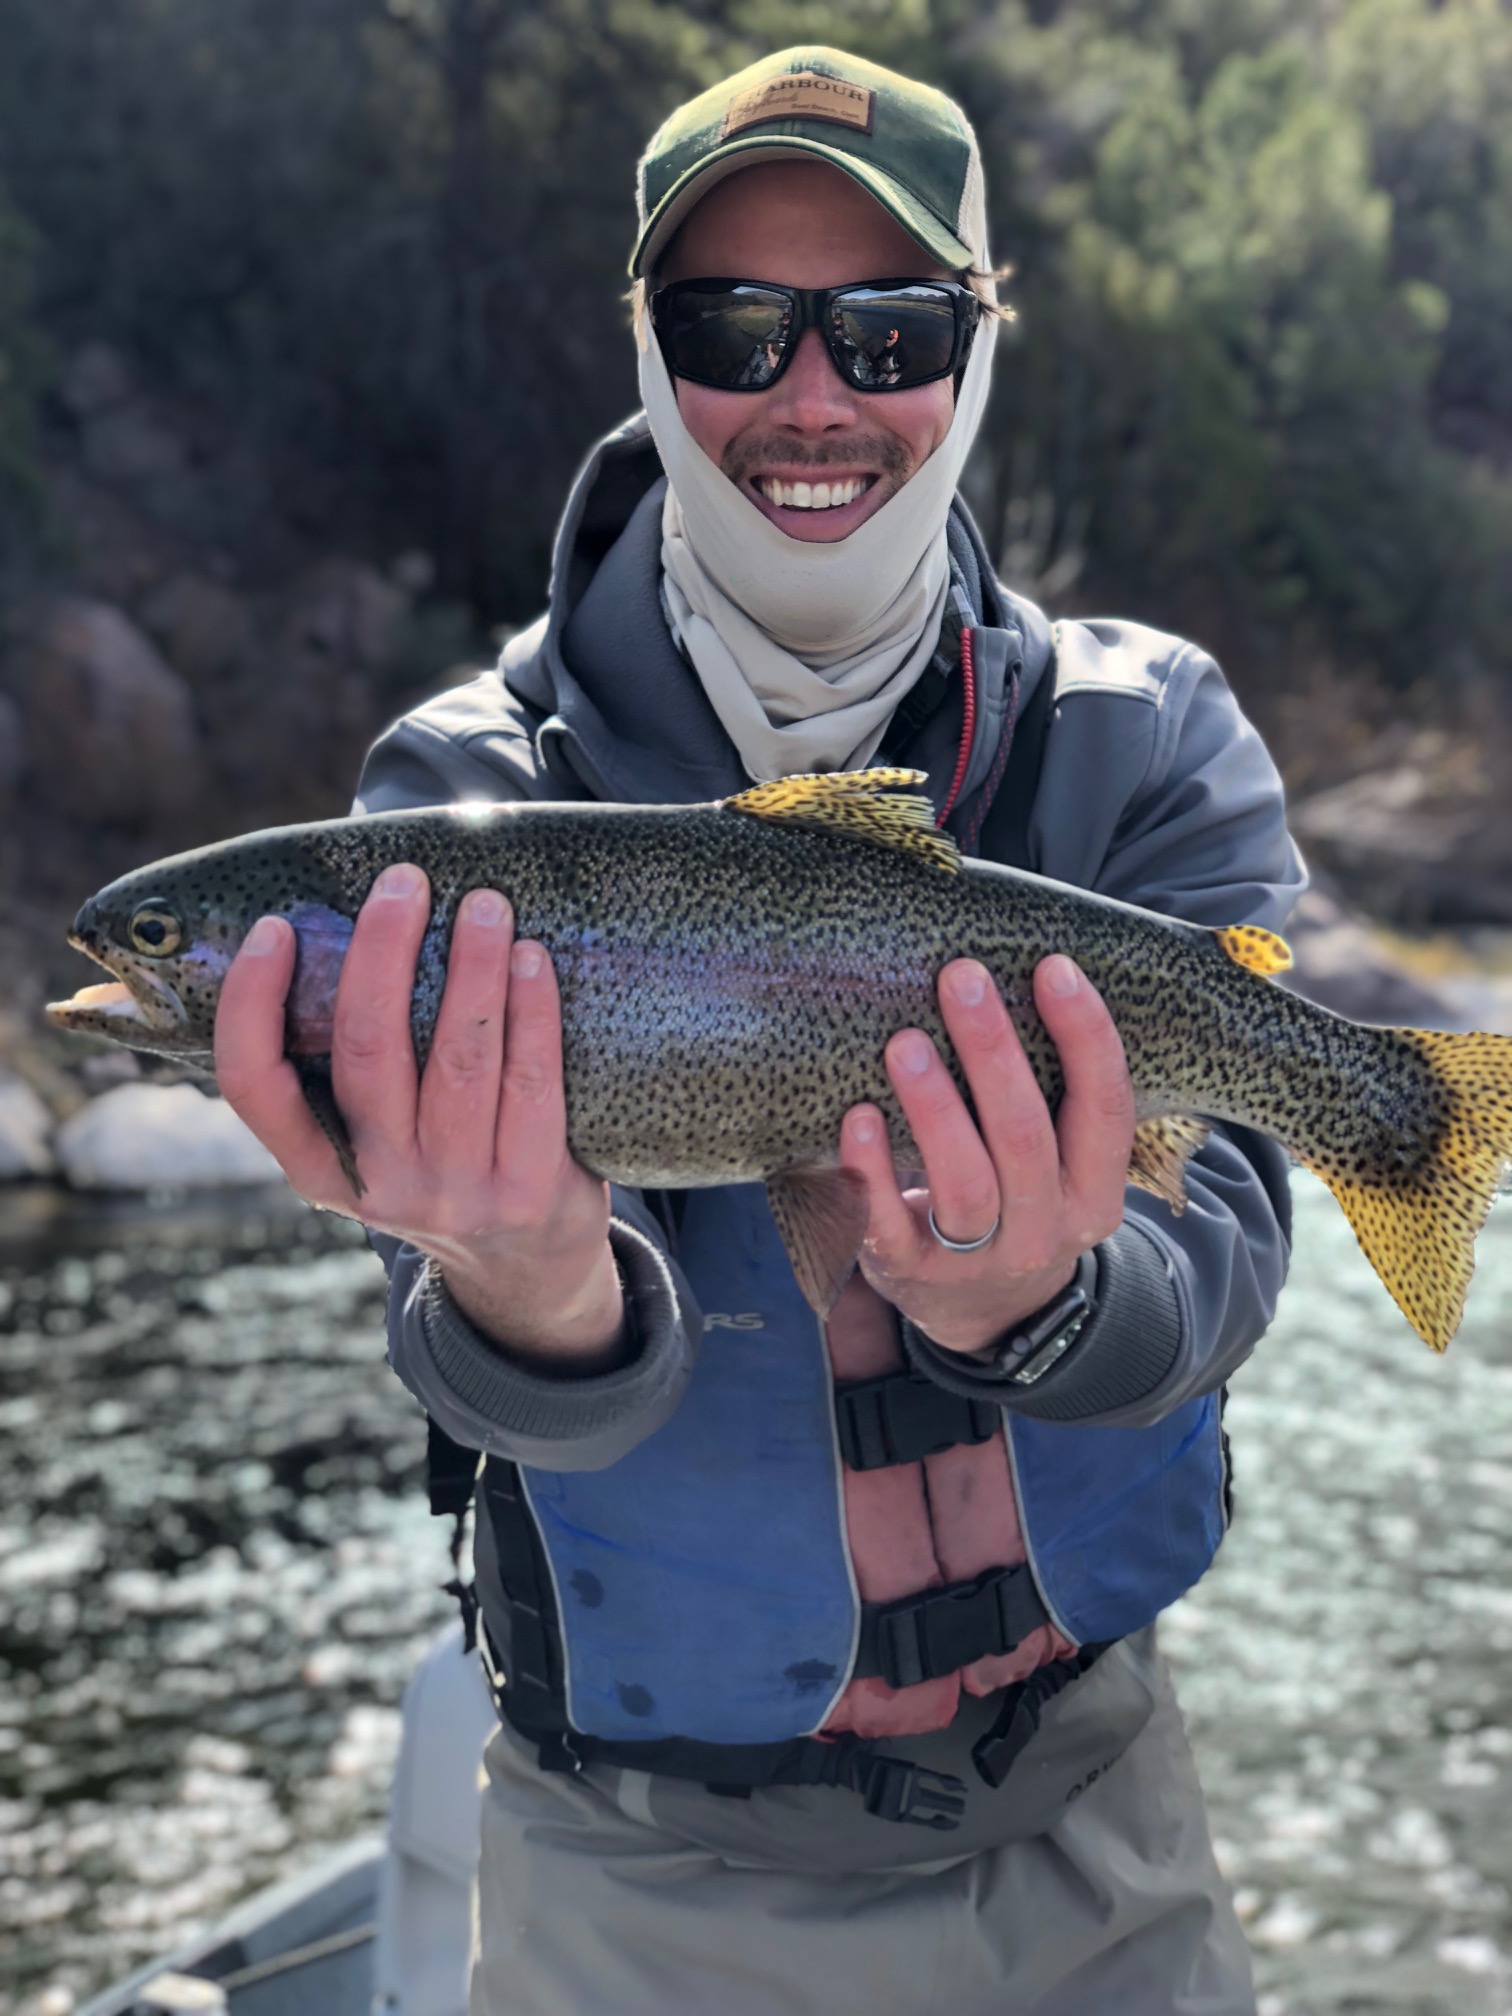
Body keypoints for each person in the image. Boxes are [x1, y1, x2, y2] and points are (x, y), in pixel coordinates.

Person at [216, 46, 1303, 2016]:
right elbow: (459, 1367)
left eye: (889, 330)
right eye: (735, 324)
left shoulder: (1148, 746)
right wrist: (535, 1293)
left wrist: (1047, 1300)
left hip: (1097, 1834)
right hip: (639, 1881)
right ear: (649, 347)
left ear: (975, 351)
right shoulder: (463, 805)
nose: (816, 397)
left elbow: (1220, 1262)